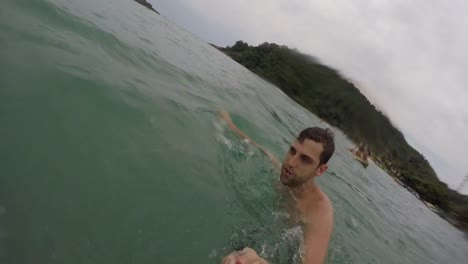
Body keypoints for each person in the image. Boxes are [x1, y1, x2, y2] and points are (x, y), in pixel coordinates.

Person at [219, 110, 335, 264]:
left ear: (320, 170)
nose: (291, 163)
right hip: (266, 237)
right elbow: (261, 150)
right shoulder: (284, 174)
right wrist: (229, 125)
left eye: (305, 159)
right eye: (292, 151)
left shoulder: (320, 210)